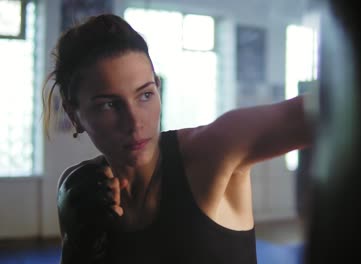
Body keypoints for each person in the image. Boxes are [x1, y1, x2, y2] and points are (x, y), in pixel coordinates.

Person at [43, 14, 314, 264]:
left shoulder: (213, 150)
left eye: (145, 95)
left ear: (158, 89)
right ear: (73, 114)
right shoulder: (78, 189)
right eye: (109, 105)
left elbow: (335, 107)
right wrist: (77, 249)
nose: (135, 121)